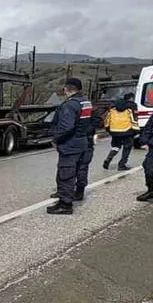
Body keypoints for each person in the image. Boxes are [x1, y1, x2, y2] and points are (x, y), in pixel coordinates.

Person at [46, 78, 96, 215]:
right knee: (80, 169)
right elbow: (93, 121)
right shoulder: (86, 103)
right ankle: (77, 193)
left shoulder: (70, 105)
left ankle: (65, 204)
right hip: (83, 142)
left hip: (71, 144)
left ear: (66, 89)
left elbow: (66, 127)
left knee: (66, 173)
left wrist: (56, 139)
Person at [102, 97, 138, 170]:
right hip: (126, 132)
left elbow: (107, 121)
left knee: (115, 147)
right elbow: (133, 121)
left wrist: (109, 130)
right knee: (127, 148)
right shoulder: (128, 110)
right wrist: (136, 131)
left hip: (114, 132)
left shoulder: (112, 111)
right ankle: (122, 165)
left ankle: (108, 159)